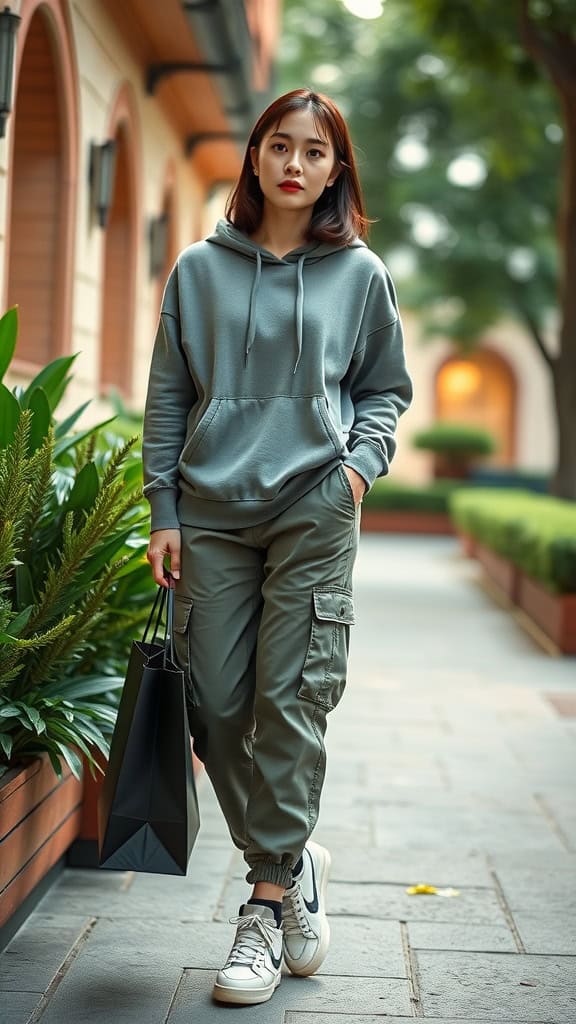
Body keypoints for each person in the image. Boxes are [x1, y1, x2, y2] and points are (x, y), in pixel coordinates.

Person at [142, 87, 413, 1006]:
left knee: (292, 700)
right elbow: (170, 397)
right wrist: (163, 511)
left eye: (316, 152)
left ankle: (262, 909)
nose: (295, 165)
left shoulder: (361, 275)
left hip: (314, 504)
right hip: (212, 509)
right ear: (255, 156)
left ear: (337, 170)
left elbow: (386, 389)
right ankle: (296, 860)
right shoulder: (196, 270)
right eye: (280, 146)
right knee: (214, 706)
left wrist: (358, 469)